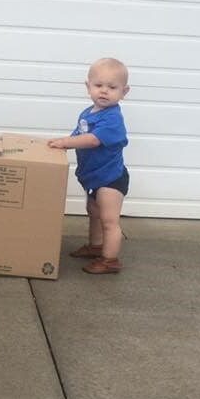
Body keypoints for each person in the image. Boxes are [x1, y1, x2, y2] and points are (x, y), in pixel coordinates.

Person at [49, 58, 130, 274]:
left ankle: (110, 260)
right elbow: (79, 134)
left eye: (112, 88)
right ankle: (96, 247)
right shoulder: (88, 113)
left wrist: (65, 143)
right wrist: (64, 142)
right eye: (98, 85)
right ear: (88, 87)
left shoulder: (113, 119)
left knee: (109, 220)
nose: (104, 91)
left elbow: (92, 140)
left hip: (111, 178)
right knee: (93, 211)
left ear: (124, 92)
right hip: (94, 176)